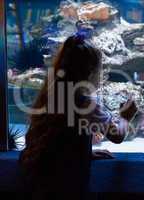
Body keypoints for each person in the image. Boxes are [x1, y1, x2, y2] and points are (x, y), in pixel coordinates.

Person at [19, 34, 137, 199]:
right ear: (89, 73)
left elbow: (54, 140)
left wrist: (84, 152)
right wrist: (125, 117)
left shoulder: (50, 95)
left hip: (37, 178)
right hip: (68, 184)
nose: (101, 75)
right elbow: (116, 136)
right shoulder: (87, 104)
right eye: (100, 70)